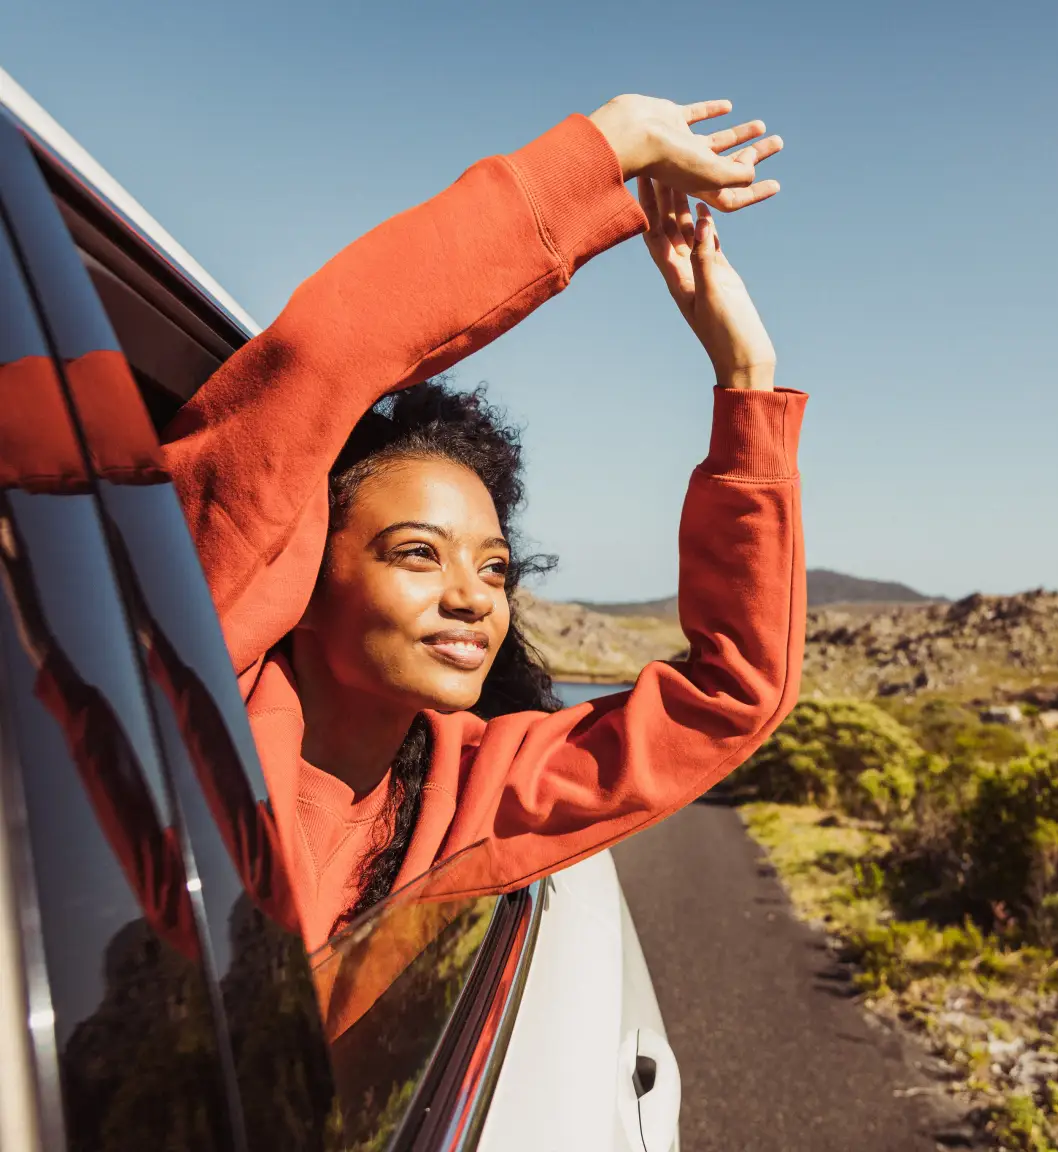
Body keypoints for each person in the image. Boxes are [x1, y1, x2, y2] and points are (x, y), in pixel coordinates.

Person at [162, 94, 807, 951]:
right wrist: (605, 149)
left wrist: (747, 379)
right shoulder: (184, 681)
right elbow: (324, 357)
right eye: (418, 554)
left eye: (495, 567)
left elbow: (732, 698)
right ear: (303, 576)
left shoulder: (467, 793)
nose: (473, 598)